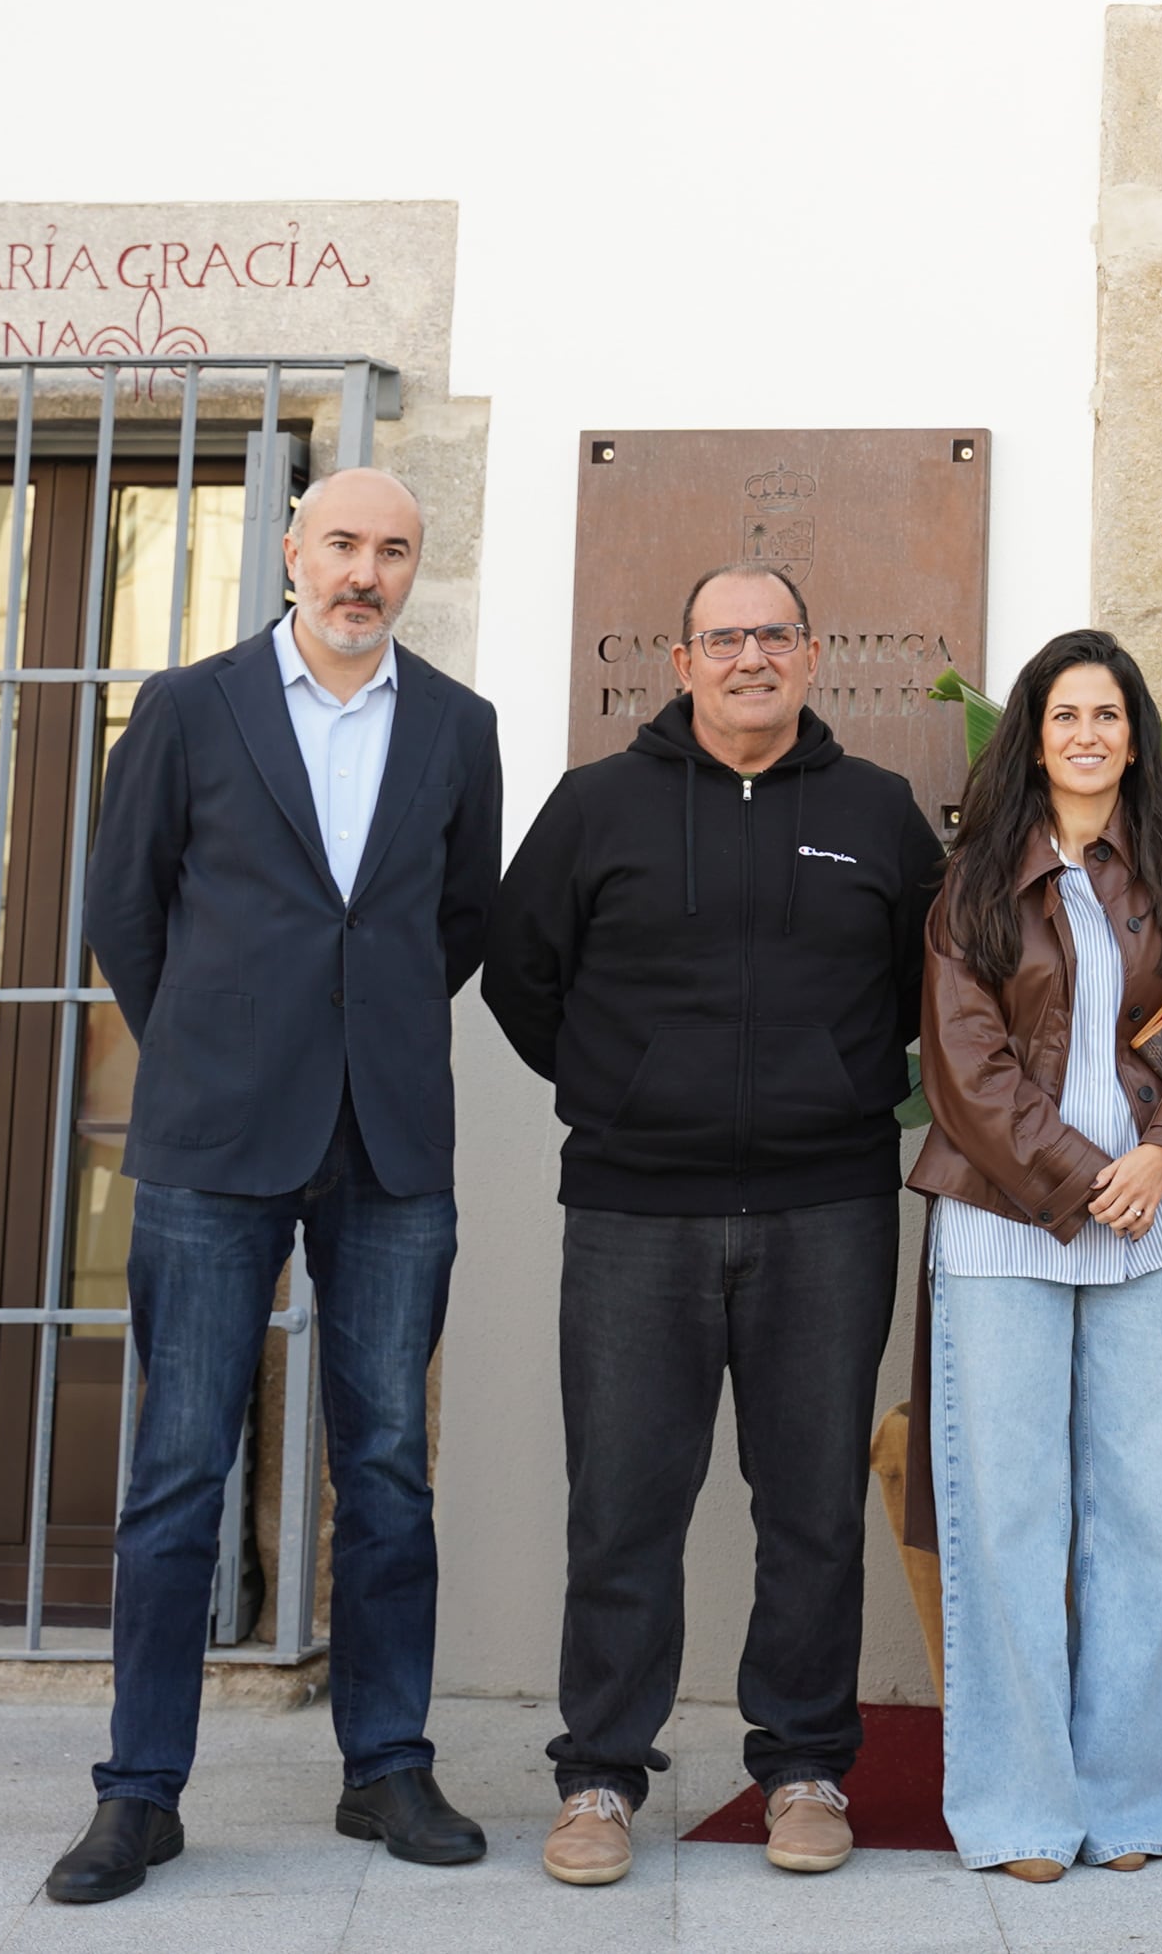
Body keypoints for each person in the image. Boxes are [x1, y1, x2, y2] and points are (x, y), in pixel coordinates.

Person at [52, 467, 505, 1906]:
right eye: (343, 545)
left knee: (384, 1463)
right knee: (181, 1463)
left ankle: (387, 1763)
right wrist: (224, 1036)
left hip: (388, 1143)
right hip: (211, 1134)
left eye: (394, 550)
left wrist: (354, 1033)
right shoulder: (189, 706)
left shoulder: (457, 722)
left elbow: (458, 917)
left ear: (412, 568)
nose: (365, 571)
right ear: (294, 550)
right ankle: (139, 1790)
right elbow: (126, 904)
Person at [484, 561, 947, 1887]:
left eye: (774, 633)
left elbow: (931, 983)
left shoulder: (876, 811)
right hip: (636, 1209)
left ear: (812, 655)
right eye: (723, 634)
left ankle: (803, 1765)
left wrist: (834, 1083)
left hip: (827, 1206)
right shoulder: (595, 806)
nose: (751, 654)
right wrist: (620, 1089)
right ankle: (597, 1777)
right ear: (680, 660)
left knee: (810, 1502)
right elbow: (522, 973)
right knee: (623, 1501)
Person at [906, 627, 1162, 1881]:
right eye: (1065, 716)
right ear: (1032, 736)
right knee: (1007, 1522)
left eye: (1108, 716)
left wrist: (1161, 1158)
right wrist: (1078, 1177)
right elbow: (967, 1067)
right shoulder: (972, 884)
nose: (1088, 736)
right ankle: (1015, 1812)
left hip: (1155, 1234)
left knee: (1143, 1521)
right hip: (1007, 1232)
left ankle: (1124, 1804)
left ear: (1134, 736)